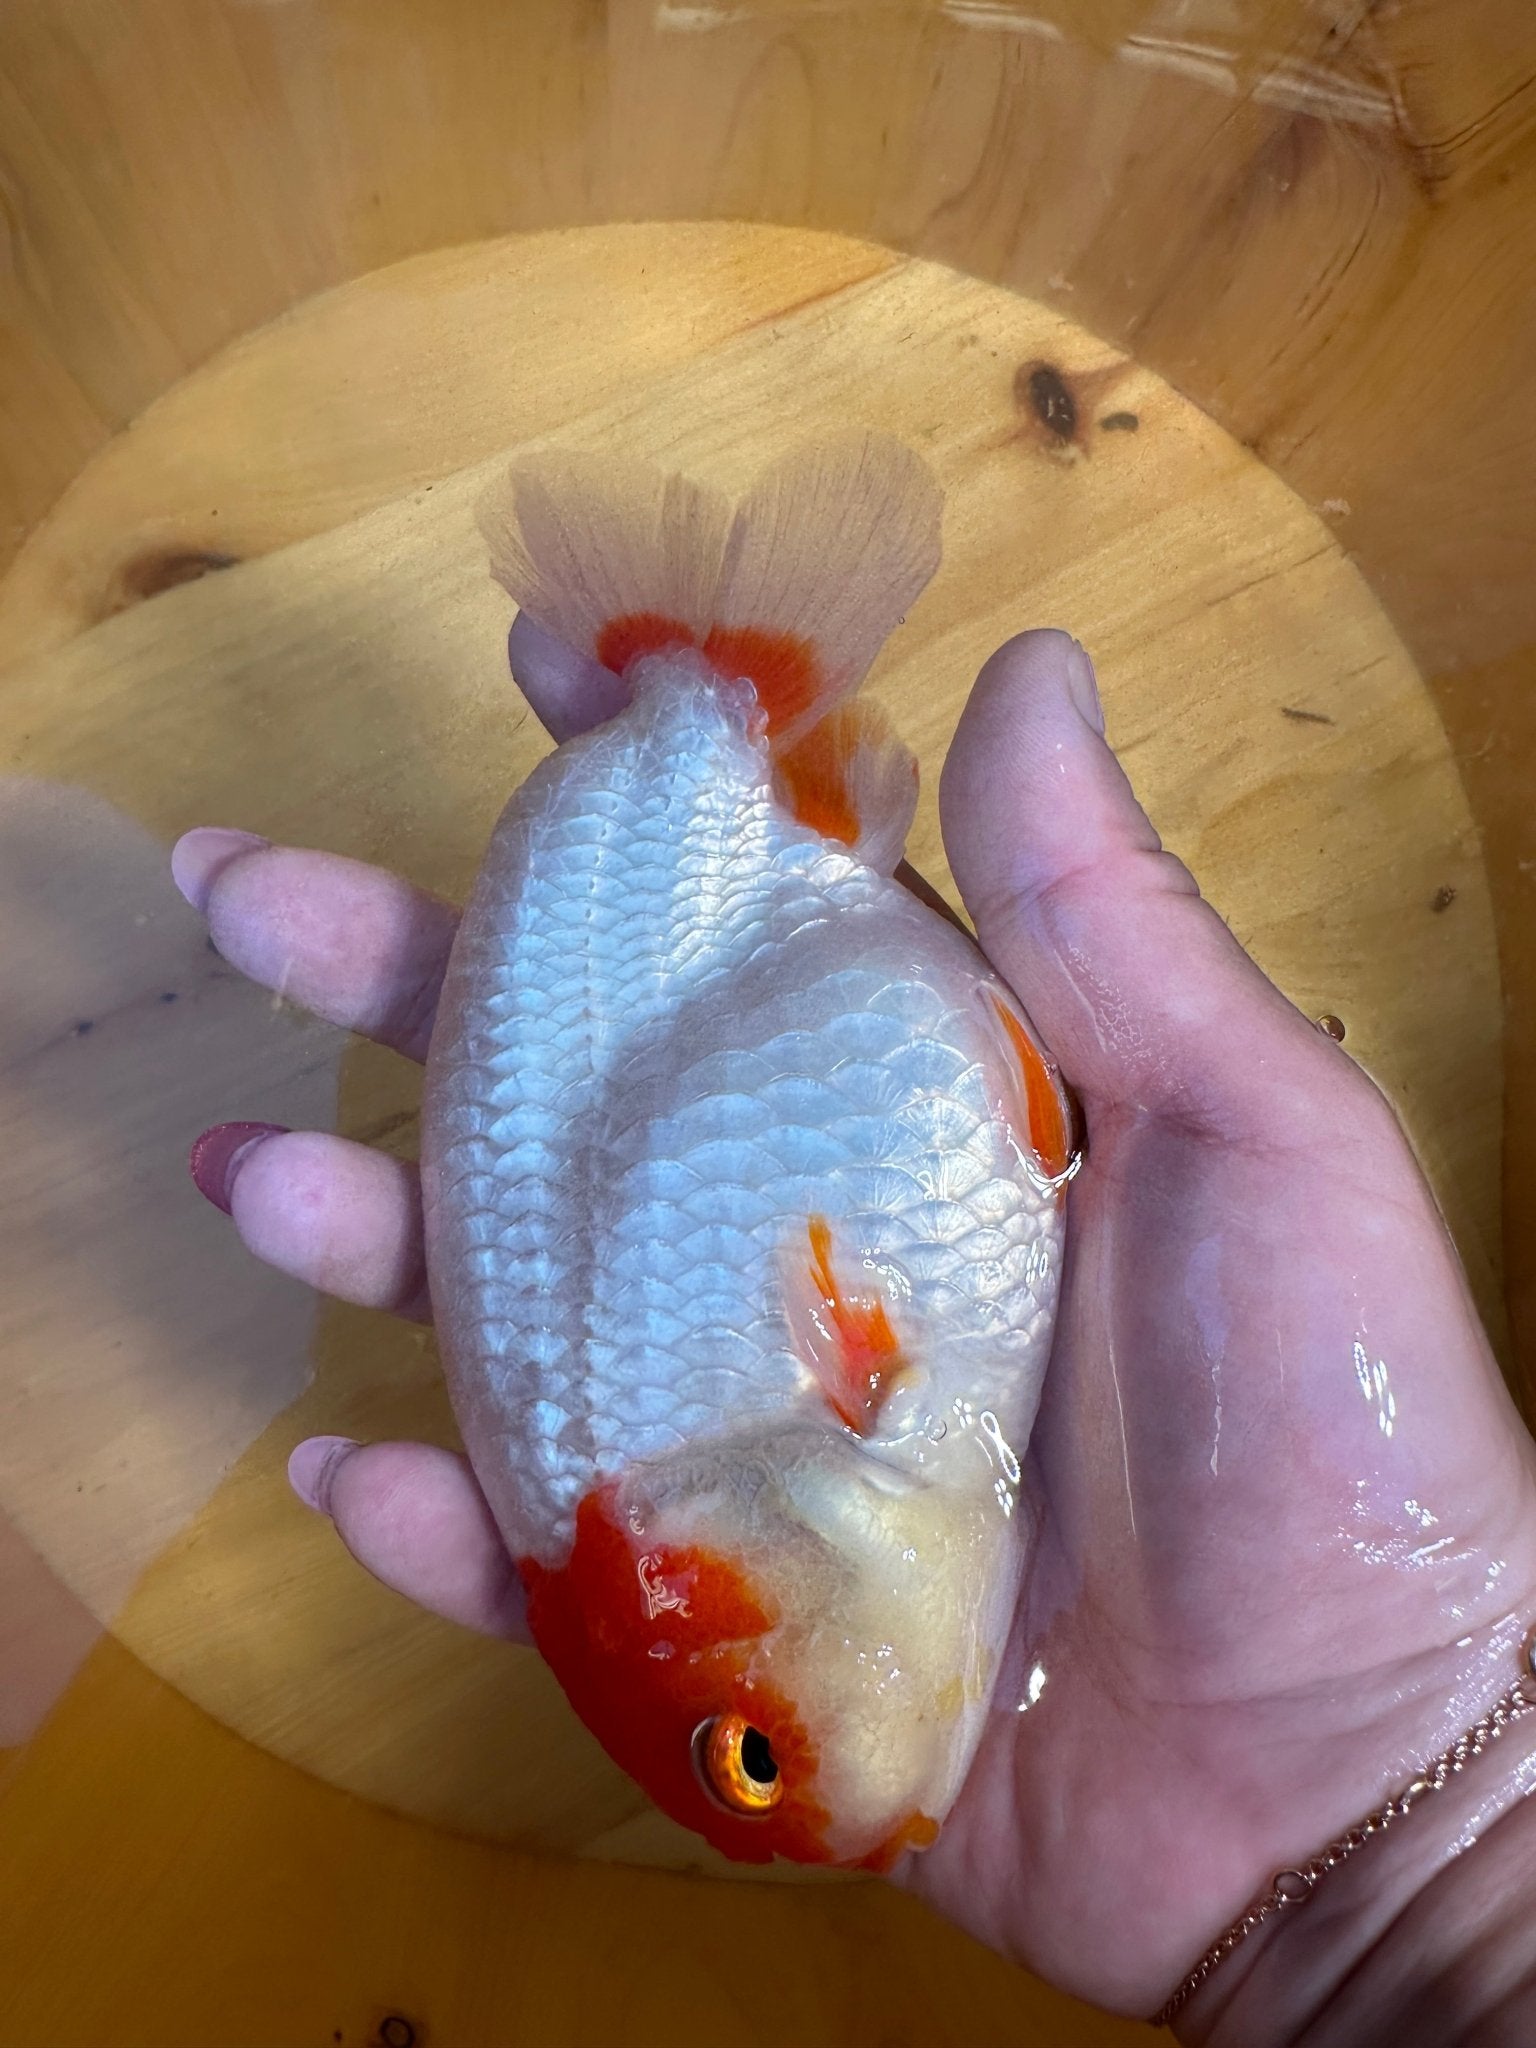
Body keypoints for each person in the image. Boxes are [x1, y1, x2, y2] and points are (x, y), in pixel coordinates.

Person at [173, 627, 1536, 2044]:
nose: (834, 1809)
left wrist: (1432, 1796)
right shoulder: (830, 1463)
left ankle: (740, 732)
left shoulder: (815, 1434)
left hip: (765, 940)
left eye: (757, 1757)